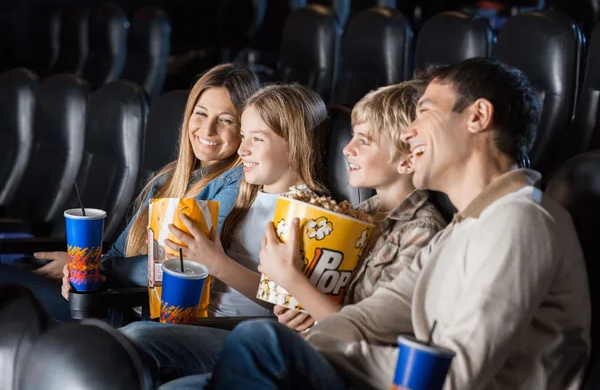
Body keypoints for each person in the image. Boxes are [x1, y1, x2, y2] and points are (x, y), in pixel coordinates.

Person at [194, 57, 592, 390]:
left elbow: (456, 376)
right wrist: (305, 345)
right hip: (389, 376)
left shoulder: (518, 222)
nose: (411, 132)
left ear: (478, 117)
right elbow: (366, 320)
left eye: (425, 113)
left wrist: (312, 353)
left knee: (258, 342)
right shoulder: (463, 228)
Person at [0, 63, 261, 323]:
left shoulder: (236, 182)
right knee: (21, 273)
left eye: (226, 120)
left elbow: (178, 266)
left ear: (245, 129)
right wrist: (80, 269)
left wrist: (94, 266)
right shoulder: (170, 177)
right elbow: (118, 253)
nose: (208, 129)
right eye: (201, 113)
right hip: (110, 299)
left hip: (136, 315)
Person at [119, 83, 329, 376]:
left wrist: (216, 262)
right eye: (244, 136)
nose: (243, 149)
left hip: (241, 333)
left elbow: (289, 304)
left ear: (295, 144)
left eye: (257, 139)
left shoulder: (308, 213)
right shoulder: (247, 194)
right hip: (196, 317)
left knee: (134, 340)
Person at [259, 82, 446, 332]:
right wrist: (300, 307)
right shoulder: (360, 214)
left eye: (364, 141)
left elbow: (370, 332)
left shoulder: (422, 233)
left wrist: (290, 280)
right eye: (353, 136)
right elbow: (326, 306)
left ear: (407, 160)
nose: (347, 149)